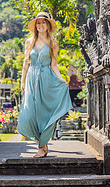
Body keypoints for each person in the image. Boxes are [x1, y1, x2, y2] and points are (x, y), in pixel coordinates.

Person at [17, 12, 73, 158]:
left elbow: (54, 65)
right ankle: (42, 144)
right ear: (35, 26)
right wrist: (22, 82)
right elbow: (25, 63)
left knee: (44, 113)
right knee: (29, 113)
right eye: (38, 23)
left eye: (43, 22)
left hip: (47, 79)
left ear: (48, 25)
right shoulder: (29, 42)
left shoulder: (53, 43)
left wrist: (61, 79)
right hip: (31, 79)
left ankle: (42, 146)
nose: (40, 25)